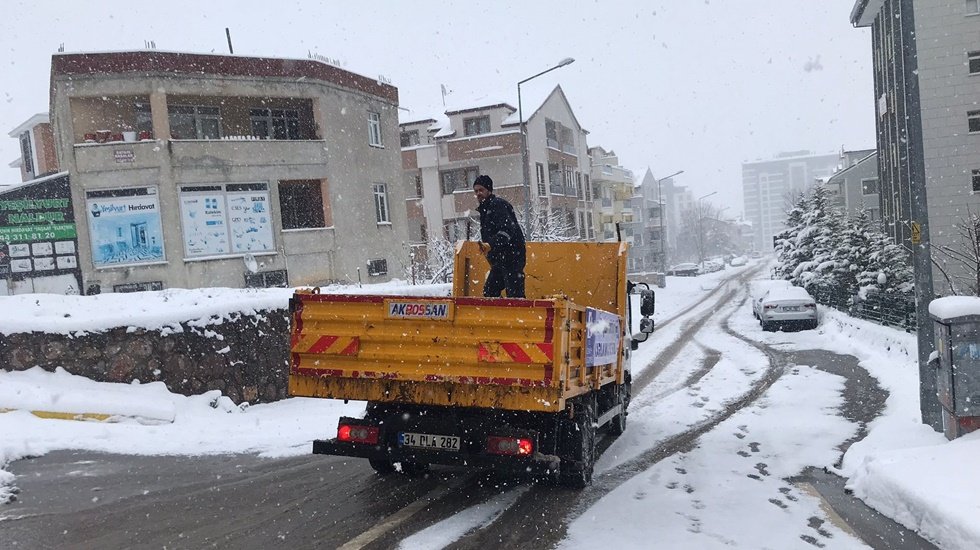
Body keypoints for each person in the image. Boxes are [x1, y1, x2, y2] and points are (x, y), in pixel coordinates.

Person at [473, 175, 526, 298]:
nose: (478, 193)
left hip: (512, 257)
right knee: (490, 292)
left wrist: (490, 245)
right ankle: (501, 315)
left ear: (489, 190)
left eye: (481, 190)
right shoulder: (485, 210)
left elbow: (507, 230)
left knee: (514, 294)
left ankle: (518, 315)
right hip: (499, 260)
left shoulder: (498, 205)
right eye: (476, 191)